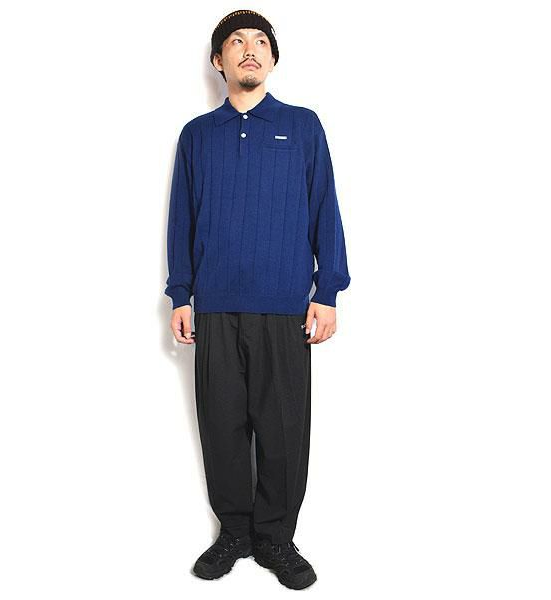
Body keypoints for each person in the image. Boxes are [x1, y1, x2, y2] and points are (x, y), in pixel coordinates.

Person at [164, 9, 350, 590]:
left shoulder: (302, 126)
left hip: (285, 307)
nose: (249, 49)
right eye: (236, 42)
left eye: (260, 42)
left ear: (272, 58)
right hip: (215, 307)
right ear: (217, 60)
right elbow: (181, 218)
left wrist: (328, 290)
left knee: (283, 429)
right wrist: (180, 293)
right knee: (221, 427)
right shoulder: (197, 136)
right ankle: (235, 533)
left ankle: (275, 537)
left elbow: (325, 209)